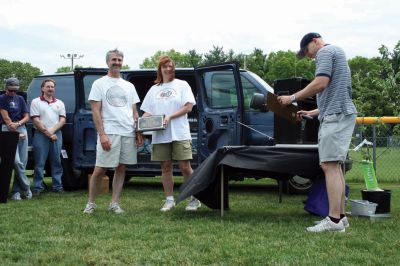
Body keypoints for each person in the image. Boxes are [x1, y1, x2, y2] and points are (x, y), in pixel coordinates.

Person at [277, 33, 357, 232]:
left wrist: (292, 98)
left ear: (315, 41)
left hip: (336, 117)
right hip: (338, 114)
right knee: (335, 167)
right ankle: (341, 217)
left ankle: (334, 221)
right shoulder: (337, 53)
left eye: (306, 51)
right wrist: (311, 112)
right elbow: (334, 93)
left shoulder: (325, 52)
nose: (308, 56)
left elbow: (320, 83)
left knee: (329, 166)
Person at [83, 49, 143, 214]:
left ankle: (114, 203)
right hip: (109, 131)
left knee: (121, 168)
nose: (117, 62)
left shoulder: (129, 86)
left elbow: (134, 111)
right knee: (100, 168)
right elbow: (95, 111)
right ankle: (91, 203)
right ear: (107, 62)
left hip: (128, 132)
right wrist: (102, 134)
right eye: (114, 60)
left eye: (119, 60)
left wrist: (138, 132)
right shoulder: (99, 84)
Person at [140, 55, 201, 212]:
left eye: (171, 66)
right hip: (161, 135)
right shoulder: (154, 90)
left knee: (185, 167)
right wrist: (139, 125)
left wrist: (170, 116)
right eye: (165, 66)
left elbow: (188, 107)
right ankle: (169, 200)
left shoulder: (182, 85)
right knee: (165, 167)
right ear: (160, 69)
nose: (169, 68)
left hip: (180, 133)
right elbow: (147, 112)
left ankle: (195, 198)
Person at [30, 79, 66, 195]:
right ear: (42, 88)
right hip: (40, 135)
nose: (50, 88)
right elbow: (35, 120)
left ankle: (57, 186)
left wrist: (52, 131)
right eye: (48, 86)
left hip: (57, 134)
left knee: (57, 161)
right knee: (39, 162)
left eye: (52, 87)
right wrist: (49, 133)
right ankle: (38, 188)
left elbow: (62, 120)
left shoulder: (59, 103)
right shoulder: (35, 102)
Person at [0, 77, 32, 200]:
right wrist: (16, 133)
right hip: (7, 130)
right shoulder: (2, 99)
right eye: (11, 90)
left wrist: (19, 125)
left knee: (22, 163)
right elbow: (6, 118)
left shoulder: (20, 98)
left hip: (21, 127)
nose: (13, 92)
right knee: (15, 161)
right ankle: (27, 187)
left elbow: (26, 116)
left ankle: (16, 192)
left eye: (15, 90)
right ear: (6, 88)